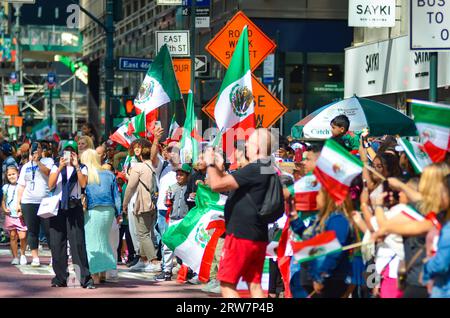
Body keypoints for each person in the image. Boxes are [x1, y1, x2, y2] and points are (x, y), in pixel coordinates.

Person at [205, 128, 277, 298]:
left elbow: (215, 185)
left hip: (240, 235)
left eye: (250, 143)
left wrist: (210, 163)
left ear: (258, 148)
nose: (246, 148)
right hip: (258, 234)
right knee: (254, 284)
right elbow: (231, 185)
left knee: (228, 283)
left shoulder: (254, 169)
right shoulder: (268, 169)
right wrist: (220, 169)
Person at [47, 140, 94, 288]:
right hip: (58, 207)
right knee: (57, 243)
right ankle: (60, 278)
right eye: (65, 151)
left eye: (71, 151)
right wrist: (60, 166)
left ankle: (85, 279)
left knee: (78, 243)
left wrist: (77, 166)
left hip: (74, 207)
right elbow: (50, 184)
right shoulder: (56, 166)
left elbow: (83, 184)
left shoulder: (82, 167)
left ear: (76, 154)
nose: (68, 154)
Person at [81, 149, 121, 285]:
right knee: (103, 240)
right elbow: (116, 195)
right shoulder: (109, 174)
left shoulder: (86, 174)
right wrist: (118, 212)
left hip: (93, 210)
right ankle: (103, 273)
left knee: (92, 242)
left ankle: (95, 275)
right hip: (108, 210)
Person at [307, 189, 356, 298]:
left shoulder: (337, 220)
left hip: (333, 278)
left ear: (327, 198)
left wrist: (321, 277)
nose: (316, 197)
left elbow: (334, 250)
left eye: (319, 194)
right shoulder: (327, 219)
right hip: (324, 278)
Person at [122, 139, 160, 273]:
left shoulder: (138, 167)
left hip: (142, 204)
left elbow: (130, 187)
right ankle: (143, 260)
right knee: (147, 233)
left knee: (142, 234)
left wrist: (124, 203)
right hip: (153, 204)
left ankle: (153, 261)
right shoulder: (154, 165)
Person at [16, 142, 54, 267]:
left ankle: (54, 256)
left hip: (45, 201)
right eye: (33, 149)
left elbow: (49, 173)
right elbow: (21, 186)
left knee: (49, 230)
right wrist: (18, 203)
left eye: (38, 148)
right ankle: (35, 257)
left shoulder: (48, 161)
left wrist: (38, 162)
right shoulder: (26, 166)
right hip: (28, 201)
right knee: (32, 231)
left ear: (41, 150)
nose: (35, 151)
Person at [155, 163, 191, 282]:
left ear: (187, 175)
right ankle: (167, 270)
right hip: (173, 219)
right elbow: (167, 203)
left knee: (185, 246)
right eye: (177, 174)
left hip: (185, 220)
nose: (179, 176)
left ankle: (186, 271)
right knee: (168, 245)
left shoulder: (189, 188)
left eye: (182, 174)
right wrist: (167, 199)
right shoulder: (172, 187)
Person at [423, 174, 450, 298]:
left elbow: (441, 264)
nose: (440, 196)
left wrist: (428, 264)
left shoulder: (448, 230)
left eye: (443, 192)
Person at [153, 140, 179, 265]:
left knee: (179, 240)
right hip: (163, 210)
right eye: (169, 150)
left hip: (180, 211)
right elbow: (153, 158)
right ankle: (166, 267)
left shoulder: (186, 167)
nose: (172, 153)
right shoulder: (163, 166)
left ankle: (181, 267)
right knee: (165, 240)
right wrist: (155, 140)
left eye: (174, 150)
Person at [2, 166, 28, 265]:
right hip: (10, 215)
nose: (11, 176)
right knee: (13, 236)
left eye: (13, 174)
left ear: (18, 174)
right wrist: (4, 208)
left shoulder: (22, 185)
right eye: (9, 175)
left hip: (20, 215)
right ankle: (15, 257)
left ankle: (22, 254)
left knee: (22, 236)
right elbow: (3, 200)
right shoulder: (5, 187)